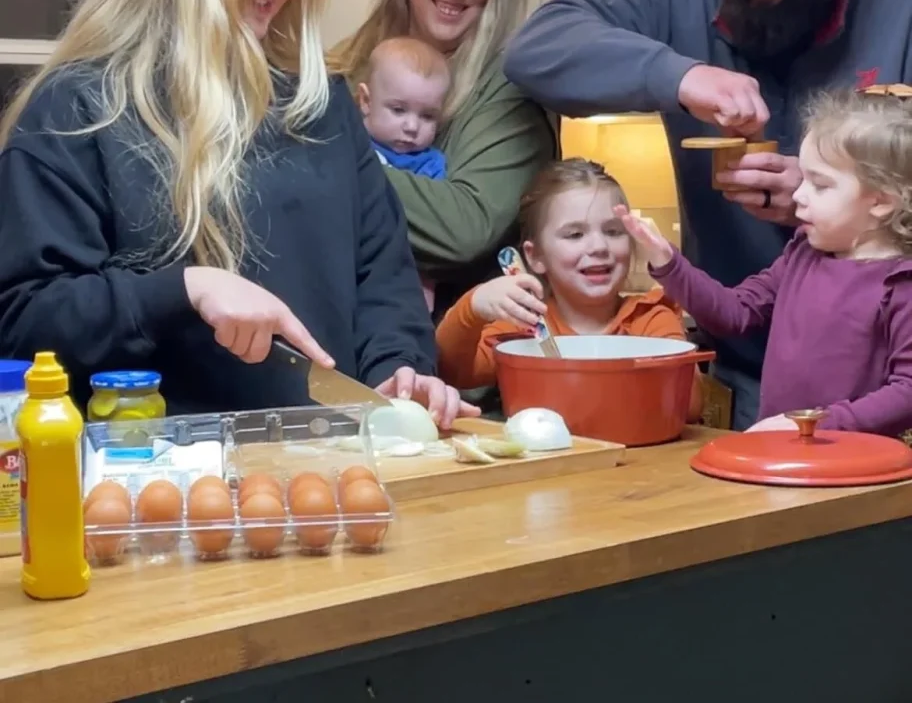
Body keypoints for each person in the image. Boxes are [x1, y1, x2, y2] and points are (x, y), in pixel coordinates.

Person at [0, 0, 478, 429]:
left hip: (335, 467)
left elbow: (383, 281)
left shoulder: (322, 106)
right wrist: (186, 289)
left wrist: (400, 368)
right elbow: (25, 323)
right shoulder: (78, 110)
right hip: (156, 483)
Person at [503, 0, 912, 429]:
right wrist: (679, 75)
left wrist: (841, 197)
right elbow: (536, 49)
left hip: (880, 401)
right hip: (738, 366)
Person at [327, 0, 558, 324]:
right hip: (349, 354)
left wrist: (331, 165)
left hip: (463, 369)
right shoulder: (342, 66)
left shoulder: (511, 87)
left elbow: (464, 228)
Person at [617, 88, 912, 436]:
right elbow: (733, 312)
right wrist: (667, 262)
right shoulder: (802, 253)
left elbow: (906, 392)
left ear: (880, 202)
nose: (799, 196)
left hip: (855, 473)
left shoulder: (901, 283)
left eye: (820, 185)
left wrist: (812, 426)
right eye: (803, 178)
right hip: (779, 458)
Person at [436, 158, 703, 422]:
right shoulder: (522, 325)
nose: (599, 246)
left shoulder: (652, 319)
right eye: (575, 235)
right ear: (536, 256)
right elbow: (453, 371)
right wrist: (472, 307)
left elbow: (687, 405)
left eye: (613, 231)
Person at [357, 35, 450, 309]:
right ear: (365, 101)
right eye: (398, 110)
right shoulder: (349, 143)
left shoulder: (431, 165)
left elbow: (433, 232)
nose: (411, 126)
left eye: (427, 116)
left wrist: (425, 282)